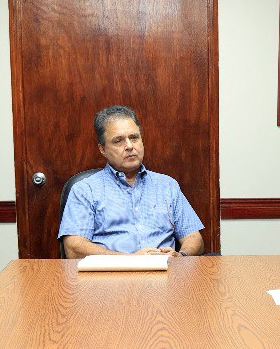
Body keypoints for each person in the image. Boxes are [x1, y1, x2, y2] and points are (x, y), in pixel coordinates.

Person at [59, 105, 205, 257]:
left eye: (134, 138)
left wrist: (180, 255)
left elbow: (194, 238)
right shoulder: (85, 189)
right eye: (118, 141)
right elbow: (74, 249)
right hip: (111, 277)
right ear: (102, 149)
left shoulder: (167, 185)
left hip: (166, 274)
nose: (129, 146)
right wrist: (130, 260)